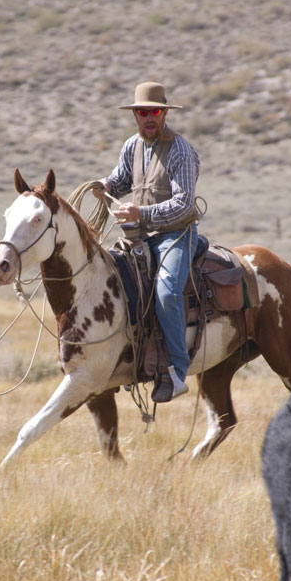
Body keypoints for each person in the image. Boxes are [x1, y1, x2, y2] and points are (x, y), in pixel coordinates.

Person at [92, 81, 200, 403]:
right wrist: (104, 184)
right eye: (142, 112)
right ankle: (134, 358)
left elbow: (184, 203)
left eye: (154, 111)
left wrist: (141, 213)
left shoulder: (181, 150)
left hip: (176, 236)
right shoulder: (132, 146)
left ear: (163, 113)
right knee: (116, 285)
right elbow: (122, 180)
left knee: (167, 292)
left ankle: (177, 370)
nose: (148, 118)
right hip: (139, 239)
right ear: (135, 116)